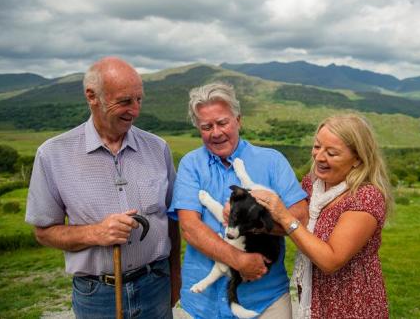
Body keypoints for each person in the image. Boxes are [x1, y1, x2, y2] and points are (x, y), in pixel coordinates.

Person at [25, 57, 181, 319]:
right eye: (124, 101)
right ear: (92, 96)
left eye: (139, 100)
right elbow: (43, 233)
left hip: (156, 284)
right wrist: (95, 233)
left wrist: (175, 274)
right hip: (97, 295)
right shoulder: (52, 154)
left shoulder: (158, 148)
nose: (135, 110)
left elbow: (172, 221)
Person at [169, 82, 308, 318]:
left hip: (265, 301)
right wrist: (240, 260)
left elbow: (300, 218)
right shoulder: (191, 164)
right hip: (204, 304)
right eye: (206, 126)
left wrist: (255, 222)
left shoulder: (272, 161)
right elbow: (190, 228)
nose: (216, 132)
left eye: (222, 123)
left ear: (238, 120)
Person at [252, 114, 392, 319]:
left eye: (331, 153)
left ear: (358, 159)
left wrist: (283, 214)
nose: (319, 157)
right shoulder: (312, 184)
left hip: (350, 303)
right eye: (317, 147)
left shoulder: (365, 197)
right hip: (314, 297)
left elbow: (331, 260)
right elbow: (297, 227)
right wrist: (249, 219)